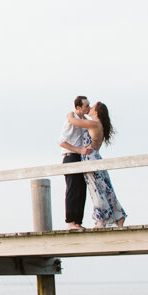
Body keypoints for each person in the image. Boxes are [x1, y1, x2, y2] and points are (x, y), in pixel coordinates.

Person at [78, 102, 127, 227]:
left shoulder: (94, 123)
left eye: (92, 107)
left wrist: (73, 113)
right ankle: (118, 215)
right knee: (105, 187)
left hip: (90, 158)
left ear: (96, 112)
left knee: (96, 189)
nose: (89, 108)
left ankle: (101, 219)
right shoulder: (97, 124)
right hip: (95, 156)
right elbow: (83, 120)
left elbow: (73, 121)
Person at [58, 95, 92, 229]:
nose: (88, 108)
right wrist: (79, 150)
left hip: (80, 158)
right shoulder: (71, 121)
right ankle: (71, 222)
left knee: (81, 189)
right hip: (71, 156)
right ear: (78, 107)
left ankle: (78, 222)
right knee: (73, 189)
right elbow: (61, 142)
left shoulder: (83, 121)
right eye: (86, 106)